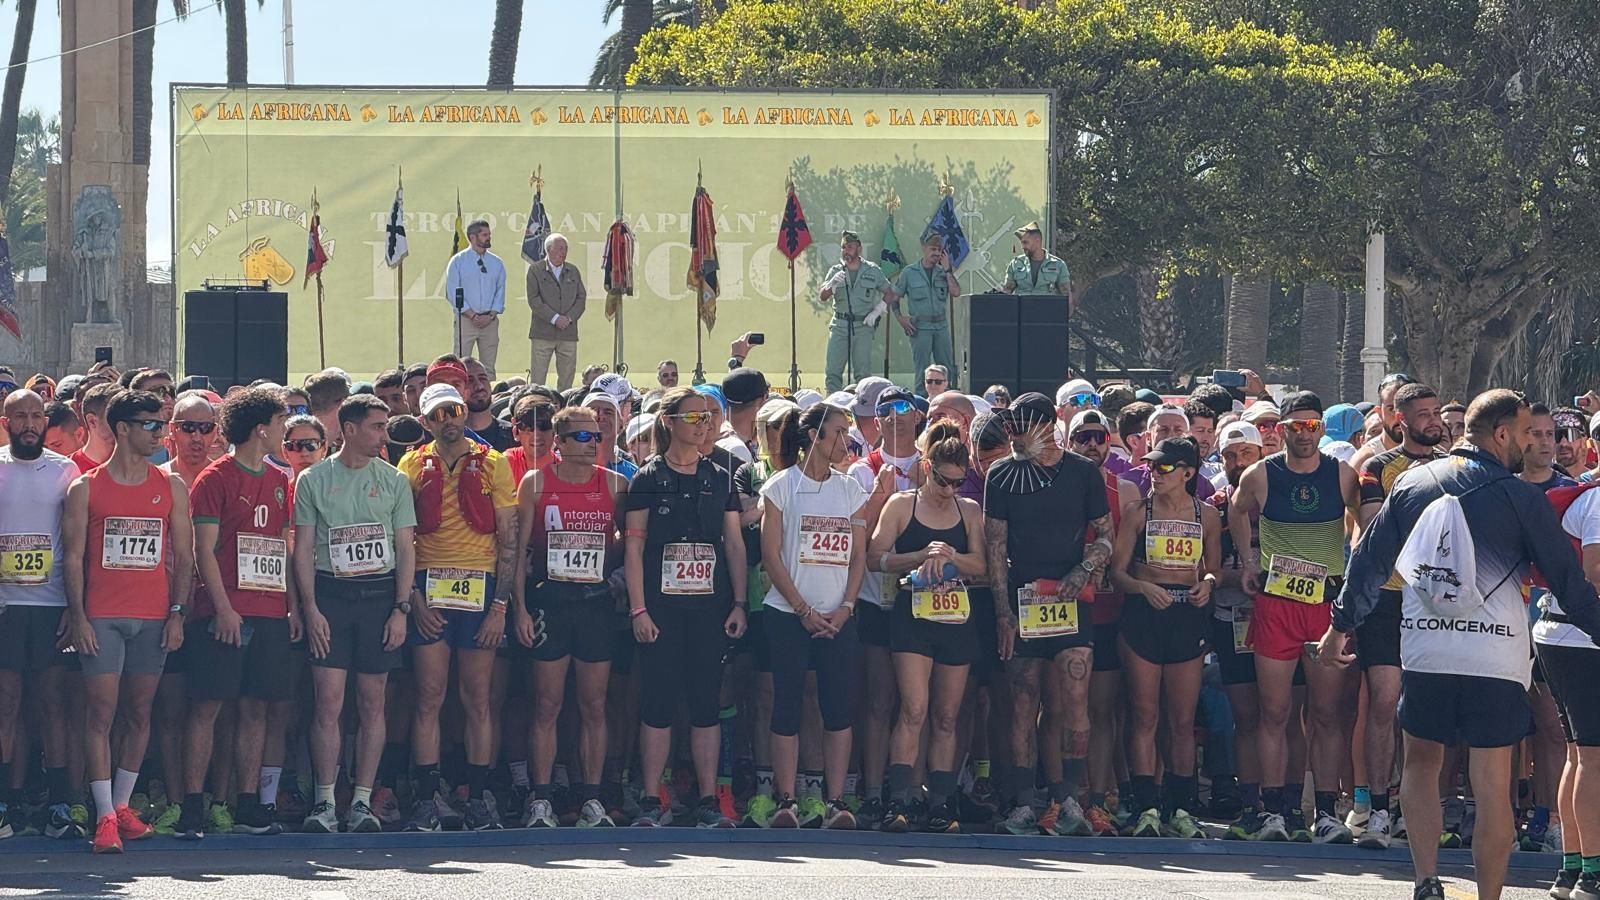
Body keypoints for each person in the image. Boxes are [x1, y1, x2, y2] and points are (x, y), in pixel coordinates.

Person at [1320, 389, 1600, 900]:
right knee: (1492, 779)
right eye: (1523, 433)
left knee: (1421, 764)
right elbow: (1568, 583)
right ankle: (1489, 895)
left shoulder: (1410, 483)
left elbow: (1368, 563)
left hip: (1427, 649)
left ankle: (1427, 879)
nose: (1530, 443)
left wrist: (1341, 624)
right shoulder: (1521, 498)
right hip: (1495, 654)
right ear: (1500, 435)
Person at [62, 390, 194, 853]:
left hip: (153, 616)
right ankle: (102, 815)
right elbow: (73, 559)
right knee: (100, 714)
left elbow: (185, 554)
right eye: (152, 425)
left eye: (162, 425)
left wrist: (178, 613)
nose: (160, 432)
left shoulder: (171, 484)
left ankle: (121, 807)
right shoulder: (86, 487)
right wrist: (78, 617)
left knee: (140, 713)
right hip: (103, 615)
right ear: (122, 429)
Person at [1230, 391, 1360, 846]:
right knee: (1274, 712)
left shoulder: (1342, 474)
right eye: (1295, 426)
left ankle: (1325, 811)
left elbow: (1363, 520)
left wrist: (1352, 564)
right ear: (1281, 429)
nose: (1304, 434)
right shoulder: (1260, 474)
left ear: (1322, 429)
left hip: (1325, 608)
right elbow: (1236, 507)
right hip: (1276, 604)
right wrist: (1247, 561)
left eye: (1312, 426)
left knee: (1325, 713)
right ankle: (1273, 811)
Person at [982, 392, 1113, 836]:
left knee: (1076, 696)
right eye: (1011, 431)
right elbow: (995, 550)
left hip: (1070, 595)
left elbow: (1107, 536)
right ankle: (1024, 801)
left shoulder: (1082, 472)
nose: (1015, 439)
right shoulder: (1000, 474)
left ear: (1046, 428)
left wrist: (1086, 567)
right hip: (1023, 598)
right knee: (1023, 700)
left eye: (1022, 430)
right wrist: (1003, 612)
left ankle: (1070, 798)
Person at [396, 385, 518, 832]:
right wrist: (413, 596)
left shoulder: (495, 463)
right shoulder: (409, 463)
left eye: (455, 411)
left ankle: (477, 794)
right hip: (429, 585)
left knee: (478, 699)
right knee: (429, 696)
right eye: (438, 414)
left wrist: (500, 606)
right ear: (426, 421)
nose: (448, 419)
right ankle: (427, 798)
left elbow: (509, 538)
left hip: (479, 587)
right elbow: (402, 536)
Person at [292, 396, 417, 834]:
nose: (385, 435)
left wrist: (401, 609)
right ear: (348, 429)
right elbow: (303, 549)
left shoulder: (395, 481)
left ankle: (362, 800)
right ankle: (325, 800)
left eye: (385, 427)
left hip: (380, 598)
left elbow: (405, 549)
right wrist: (310, 608)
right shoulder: (312, 480)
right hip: (331, 595)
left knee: (372, 702)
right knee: (328, 701)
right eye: (377, 427)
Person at [622, 388, 746, 827]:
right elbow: (633, 551)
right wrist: (639, 610)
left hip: (709, 610)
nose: (704, 423)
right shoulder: (646, 479)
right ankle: (653, 798)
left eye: (709, 416)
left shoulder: (720, 477)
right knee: (657, 703)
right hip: (660, 609)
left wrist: (739, 603)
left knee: (705, 703)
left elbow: (733, 544)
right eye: (694, 416)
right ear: (669, 422)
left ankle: (709, 800)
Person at [175, 388, 295, 839]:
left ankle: (248, 803)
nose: (285, 430)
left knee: (256, 709)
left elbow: (281, 548)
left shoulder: (281, 480)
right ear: (261, 428)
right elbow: (202, 551)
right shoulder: (214, 478)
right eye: (281, 422)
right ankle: (192, 805)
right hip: (224, 614)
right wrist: (223, 609)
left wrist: (291, 608)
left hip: (269, 612)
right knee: (207, 707)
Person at [513, 405, 629, 829]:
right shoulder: (537, 482)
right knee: (546, 703)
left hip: (595, 605)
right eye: (581, 437)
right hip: (550, 603)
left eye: (595, 437)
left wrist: (618, 581)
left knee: (594, 705)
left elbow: (630, 548)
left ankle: (592, 799)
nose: (591, 444)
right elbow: (518, 551)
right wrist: (519, 608)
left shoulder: (616, 484)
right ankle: (541, 798)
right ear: (557, 443)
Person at [867, 427, 986, 832]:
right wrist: (919, 555)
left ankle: (940, 801)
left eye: (957, 482)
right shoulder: (903, 505)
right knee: (914, 709)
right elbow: (874, 557)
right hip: (913, 618)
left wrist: (952, 555)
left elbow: (983, 566)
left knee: (948, 716)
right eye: (942, 480)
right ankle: (898, 798)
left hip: (955, 619)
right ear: (926, 468)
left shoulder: (968, 510)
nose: (949, 490)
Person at [1346, 381, 1447, 848]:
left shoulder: (1456, 468)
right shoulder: (1378, 467)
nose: (1433, 420)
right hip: (1387, 596)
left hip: (1437, 599)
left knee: (1425, 707)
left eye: (1435, 412)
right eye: (1422, 413)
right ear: (1400, 420)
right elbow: (1371, 527)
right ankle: (1378, 808)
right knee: (1383, 701)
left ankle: (1418, 806)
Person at [758, 403, 867, 830]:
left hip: (838, 618)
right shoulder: (781, 486)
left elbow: (858, 557)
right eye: (839, 433)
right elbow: (771, 555)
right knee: (786, 704)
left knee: (837, 708)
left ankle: (836, 800)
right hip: (788, 615)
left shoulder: (851, 489)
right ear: (814, 437)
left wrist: (845, 608)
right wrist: (802, 609)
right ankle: (787, 799)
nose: (846, 441)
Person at [1109, 438, 1221, 839]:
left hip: (1186, 616)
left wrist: (1207, 583)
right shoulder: (1139, 511)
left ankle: (1182, 807)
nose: (1155, 475)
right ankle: (1146, 805)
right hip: (1145, 614)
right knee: (1144, 714)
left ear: (1188, 473)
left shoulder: (1206, 515)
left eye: (1165, 469)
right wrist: (1142, 589)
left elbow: (1214, 569)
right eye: (1153, 467)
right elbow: (1117, 572)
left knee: (1182, 719)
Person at [0, 389, 82, 840]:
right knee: (7, 705)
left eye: (37, 416)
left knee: (54, 706)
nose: (29, 423)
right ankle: (5, 803)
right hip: (7, 607)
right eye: (20, 416)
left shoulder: (64, 469)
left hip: (51, 605)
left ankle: (58, 803)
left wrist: (75, 604)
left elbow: (75, 545)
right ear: (6, 421)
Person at [847, 385, 924, 815]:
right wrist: (881, 494)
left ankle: (915, 787)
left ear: (917, 417)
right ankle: (874, 789)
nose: (896, 416)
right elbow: (859, 540)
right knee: (878, 700)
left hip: (924, 601)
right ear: (876, 422)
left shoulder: (932, 466)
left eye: (903, 408)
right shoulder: (865, 469)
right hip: (877, 600)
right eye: (886, 410)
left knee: (918, 703)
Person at [1065, 409, 1139, 835]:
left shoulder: (1125, 490)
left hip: (1109, 612)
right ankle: (1064, 795)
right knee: (1061, 707)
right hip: (1065, 611)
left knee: (1103, 709)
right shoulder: (1056, 483)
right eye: (1082, 437)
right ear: (1069, 442)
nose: (1092, 444)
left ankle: (1097, 797)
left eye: (1099, 436)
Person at [819, 231, 895, 393]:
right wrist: (831, 285)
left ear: (859, 249)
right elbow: (823, 296)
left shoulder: (872, 270)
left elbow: (889, 293)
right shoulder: (836, 270)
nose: (846, 251)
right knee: (833, 372)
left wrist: (877, 311)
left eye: (850, 247)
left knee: (862, 375)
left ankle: (862, 408)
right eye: (843, 247)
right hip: (839, 325)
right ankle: (833, 408)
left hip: (863, 325)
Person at [892, 234, 961, 396]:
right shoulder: (909, 272)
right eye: (933, 249)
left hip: (941, 326)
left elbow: (956, 292)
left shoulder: (943, 273)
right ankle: (922, 406)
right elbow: (894, 298)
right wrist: (900, 318)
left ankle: (947, 402)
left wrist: (948, 270)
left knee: (946, 369)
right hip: (920, 327)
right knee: (922, 371)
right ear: (924, 249)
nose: (936, 253)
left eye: (939, 250)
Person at [444, 219, 506, 376]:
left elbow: (500, 291)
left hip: (489, 321)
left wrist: (491, 315)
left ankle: (488, 395)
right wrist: (472, 315)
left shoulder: (496, 263)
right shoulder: (458, 261)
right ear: (472, 237)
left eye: (489, 234)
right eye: (484, 235)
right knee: (460, 364)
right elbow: (452, 292)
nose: (488, 238)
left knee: (488, 368)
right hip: (466, 320)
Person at [527, 233, 586, 391]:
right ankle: (536, 405)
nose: (563, 252)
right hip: (542, 334)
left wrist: (568, 318)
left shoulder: (573, 271)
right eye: (560, 248)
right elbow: (534, 300)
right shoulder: (535, 270)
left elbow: (581, 298)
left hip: (568, 333)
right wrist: (555, 318)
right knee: (538, 378)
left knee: (567, 376)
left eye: (565, 248)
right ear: (548, 250)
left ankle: (564, 407)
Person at [1001, 222, 1071, 302]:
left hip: (1047, 312)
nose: (1023, 247)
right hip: (1022, 312)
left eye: (1025, 242)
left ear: (1037, 241)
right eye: (1022, 243)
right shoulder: (1015, 264)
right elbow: (1006, 293)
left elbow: (1067, 295)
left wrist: (1065, 314)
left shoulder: (1058, 265)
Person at [161, 394, 216, 486]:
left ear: (215, 432)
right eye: (188, 427)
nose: (196, 438)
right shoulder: (157, 479)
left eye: (206, 428)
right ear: (172, 429)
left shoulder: (227, 480)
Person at [463, 358, 514, 452]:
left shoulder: (513, 436)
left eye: (483, 378)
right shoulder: (451, 440)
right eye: (469, 381)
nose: (479, 386)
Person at [505, 393, 556, 484]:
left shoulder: (567, 468)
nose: (537, 435)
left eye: (544, 426)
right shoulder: (505, 463)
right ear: (516, 431)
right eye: (528, 427)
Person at [70, 382, 121, 473]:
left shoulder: (140, 467)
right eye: (116, 417)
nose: (125, 424)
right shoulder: (67, 470)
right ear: (92, 421)